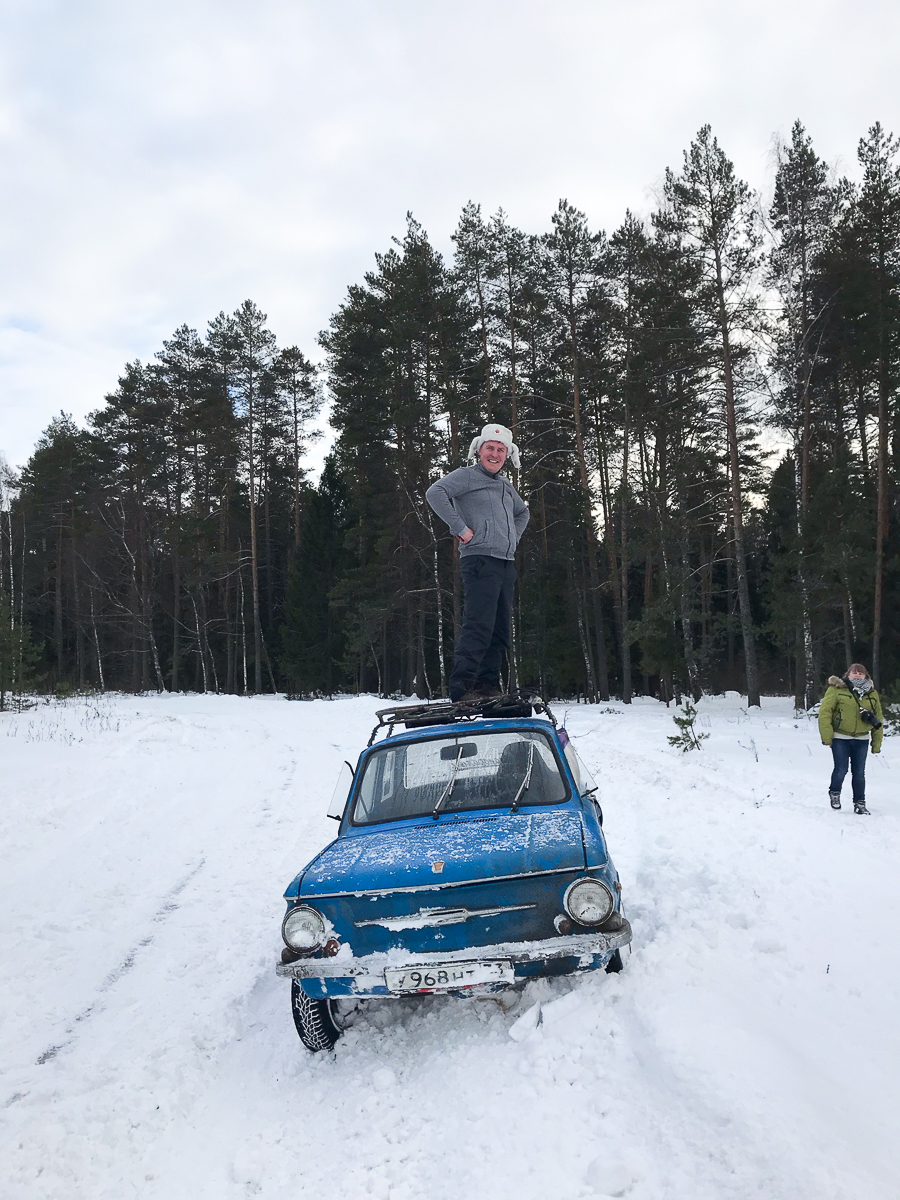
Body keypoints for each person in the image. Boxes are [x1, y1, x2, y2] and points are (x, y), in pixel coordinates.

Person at [426, 423, 529, 702]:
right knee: (479, 625)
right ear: (479, 450)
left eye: (500, 450)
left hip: (505, 564)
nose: (494, 454)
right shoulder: (467, 477)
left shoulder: (505, 485)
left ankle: (487, 686)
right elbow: (434, 493)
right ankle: (462, 688)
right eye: (489, 448)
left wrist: (513, 538)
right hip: (480, 560)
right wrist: (461, 529)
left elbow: (523, 514)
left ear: (507, 455)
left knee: (499, 629)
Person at [817, 663, 884, 815]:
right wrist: (827, 736)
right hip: (840, 737)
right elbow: (825, 713)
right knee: (841, 769)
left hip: (862, 738)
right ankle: (834, 792)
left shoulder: (872, 694)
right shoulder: (836, 689)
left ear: (866, 676)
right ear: (847, 675)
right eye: (854, 673)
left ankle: (859, 803)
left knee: (859, 772)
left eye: (860, 673)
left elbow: (878, 718)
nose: (857, 675)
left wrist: (876, 743)